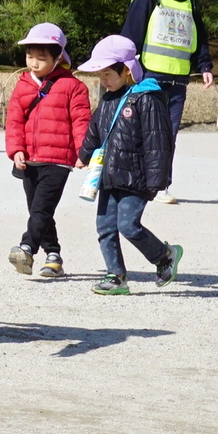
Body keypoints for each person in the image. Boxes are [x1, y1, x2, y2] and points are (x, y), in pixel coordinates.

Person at [75, 35, 183, 296]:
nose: (104, 81)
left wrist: (158, 180)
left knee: (128, 225)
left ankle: (165, 256)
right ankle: (116, 276)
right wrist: (84, 154)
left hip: (138, 177)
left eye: (108, 74)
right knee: (105, 227)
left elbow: (158, 141)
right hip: (109, 175)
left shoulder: (147, 97)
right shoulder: (108, 99)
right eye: (100, 75)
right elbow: (95, 131)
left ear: (127, 69)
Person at [122, 0, 214, 203]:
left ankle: (160, 186)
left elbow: (200, 36)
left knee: (168, 135)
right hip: (150, 78)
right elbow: (130, 36)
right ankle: (135, 180)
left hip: (178, 81)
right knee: (142, 132)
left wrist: (204, 65)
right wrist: (125, 69)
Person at [3, 23, 91, 280]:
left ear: (58, 58)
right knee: (38, 211)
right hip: (29, 159)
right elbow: (14, 122)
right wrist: (16, 150)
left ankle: (26, 248)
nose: (34, 63)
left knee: (41, 209)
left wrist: (83, 153)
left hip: (58, 161)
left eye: (42, 58)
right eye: (30, 56)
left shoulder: (74, 87)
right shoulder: (22, 85)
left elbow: (81, 121)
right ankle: (53, 256)